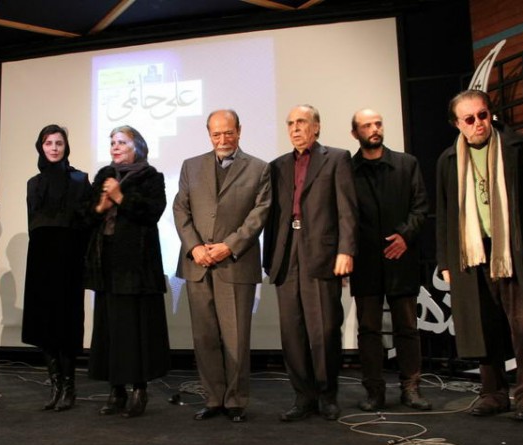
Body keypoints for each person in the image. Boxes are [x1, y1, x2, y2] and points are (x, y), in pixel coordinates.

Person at [436, 89, 523, 421]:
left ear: (490, 114)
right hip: (473, 253)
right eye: (469, 119)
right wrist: (445, 261)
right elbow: (445, 213)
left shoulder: (520, 147)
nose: (478, 123)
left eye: (483, 115)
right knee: (483, 323)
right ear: (457, 124)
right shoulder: (448, 160)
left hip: (514, 248)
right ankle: (493, 393)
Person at [173, 109, 271, 423]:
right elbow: (181, 209)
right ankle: (213, 399)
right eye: (216, 134)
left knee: (236, 338)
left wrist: (229, 245)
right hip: (198, 263)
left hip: (235, 262)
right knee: (204, 338)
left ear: (239, 131)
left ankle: (236, 401)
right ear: (209, 134)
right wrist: (194, 247)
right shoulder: (191, 166)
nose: (222, 139)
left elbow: (259, 213)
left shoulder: (259, 168)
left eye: (228, 132)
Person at [263, 104, 357, 421]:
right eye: (290, 123)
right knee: (293, 331)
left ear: (316, 126)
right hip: (286, 253)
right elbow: (272, 217)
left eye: (301, 122)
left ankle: (327, 395)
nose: (295, 128)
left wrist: (346, 250)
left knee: (325, 329)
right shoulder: (277, 166)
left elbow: (347, 209)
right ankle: (303, 396)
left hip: (322, 253)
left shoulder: (337, 158)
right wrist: (269, 258)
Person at [85, 125, 170, 418]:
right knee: (110, 329)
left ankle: (139, 389)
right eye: (112, 142)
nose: (115, 147)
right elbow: (87, 215)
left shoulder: (150, 176)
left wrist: (120, 197)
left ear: (138, 147)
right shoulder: (103, 176)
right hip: (107, 263)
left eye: (122, 142)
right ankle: (116, 389)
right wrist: (100, 206)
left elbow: (153, 212)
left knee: (134, 329)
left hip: (137, 266)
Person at [349, 109, 431, 412]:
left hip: (402, 257)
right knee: (369, 330)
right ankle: (374, 391)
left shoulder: (407, 164)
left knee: (407, 327)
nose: (374, 129)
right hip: (365, 260)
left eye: (378, 124)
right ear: (355, 133)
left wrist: (404, 236)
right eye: (366, 126)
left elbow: (420, 206)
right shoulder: (348, 170)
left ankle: (411, 389)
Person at [21, 125, 92, 411]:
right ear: (41, 147)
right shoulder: (33, 183)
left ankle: (70, 388)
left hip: (70, 259)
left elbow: (87, 222)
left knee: (67, 323)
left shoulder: (80, 179)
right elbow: (33, 224)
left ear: (66, 147)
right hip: (41, 260)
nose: (53, 147)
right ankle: (55, 386)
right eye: (48, 143)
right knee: (45, 323)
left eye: (58, 143)